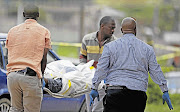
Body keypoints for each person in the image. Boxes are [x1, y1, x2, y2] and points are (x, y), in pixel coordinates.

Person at [89, 17, 173, 112]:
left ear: (121, 30)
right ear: (135, 30)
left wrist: (94, 88)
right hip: (137, 95)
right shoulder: (147, 49)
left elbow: (101, 69)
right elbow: (155, 70)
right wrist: (164, 90)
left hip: (115, 93)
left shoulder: (110, 47)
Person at [6, 4, 51, 112]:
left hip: (12, 77)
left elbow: (9, 53)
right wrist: (41, 76)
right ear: (38, 15)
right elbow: (44, 58)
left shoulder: (12, 31)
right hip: (30, 77)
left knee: (15, 109)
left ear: (23, 15)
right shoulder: (44, 31)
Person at [79, 16, 116, 112]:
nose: (113, 30)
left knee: (98, 108)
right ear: (102, 26)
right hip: (89, 80)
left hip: (104, 82)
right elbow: (82, 57)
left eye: (114, 28)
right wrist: (85, 72)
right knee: (89, 106)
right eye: (111, 28)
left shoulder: (115, 43)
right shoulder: (87, 39)